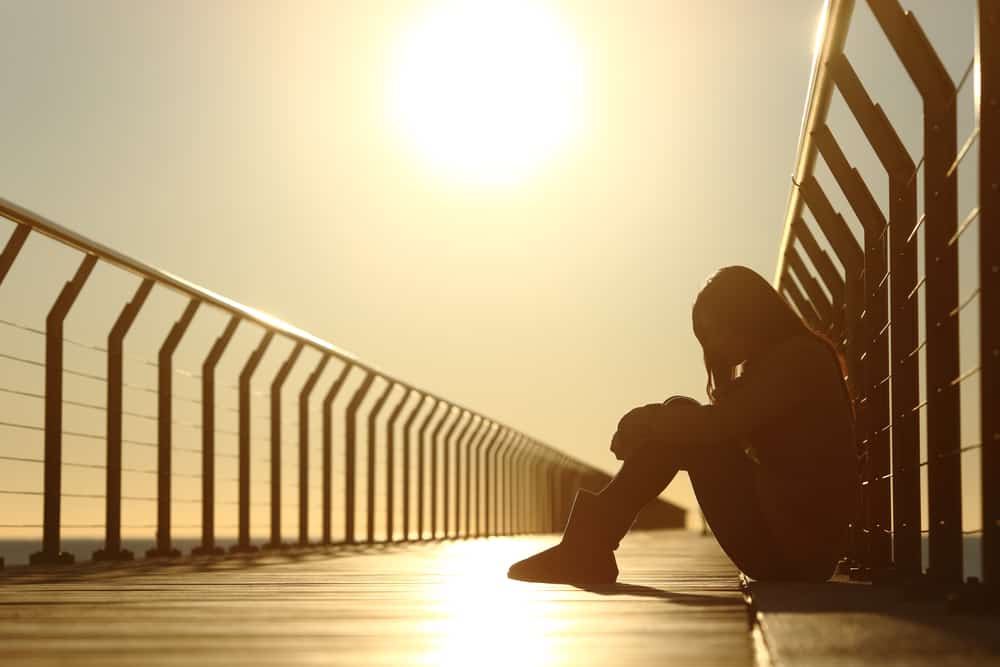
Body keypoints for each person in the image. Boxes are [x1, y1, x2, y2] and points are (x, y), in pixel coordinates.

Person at [507, 265, 858, 584]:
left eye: (715, 332)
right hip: (792, 542)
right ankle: (588, 545)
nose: (713, 347)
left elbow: (717, 426)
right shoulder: (782, 360)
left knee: (683, 426)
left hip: (794, 554)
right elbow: (719, 424)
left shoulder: (797, 360)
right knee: (681, 417)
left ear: (746, 314)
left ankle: (586, 546)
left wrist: (648, 420)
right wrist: (658, 420)